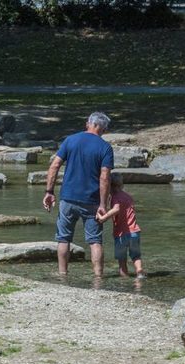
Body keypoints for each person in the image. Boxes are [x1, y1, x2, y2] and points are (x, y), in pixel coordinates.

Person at [42, 111, 113, 277]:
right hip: (92, 201)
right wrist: (103, 204)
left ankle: (62, 274)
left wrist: (49, 192)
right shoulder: (105, 147)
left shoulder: (71, 140)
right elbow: (104, 178)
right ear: (102, 128)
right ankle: (98, 277)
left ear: (89, 123)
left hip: (68, 197)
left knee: (63, 238)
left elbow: (54, 166)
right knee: (95, 241)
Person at [96, 178, 145, 278]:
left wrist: (103, 218)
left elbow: (116, 209)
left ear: (109, 187)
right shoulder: (128, 197)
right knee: (136, 255)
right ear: (121, 185)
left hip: (121, 234)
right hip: (135, 231)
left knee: (122, 259)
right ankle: (139, 270)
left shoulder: (115, 197)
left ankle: (124, 279)